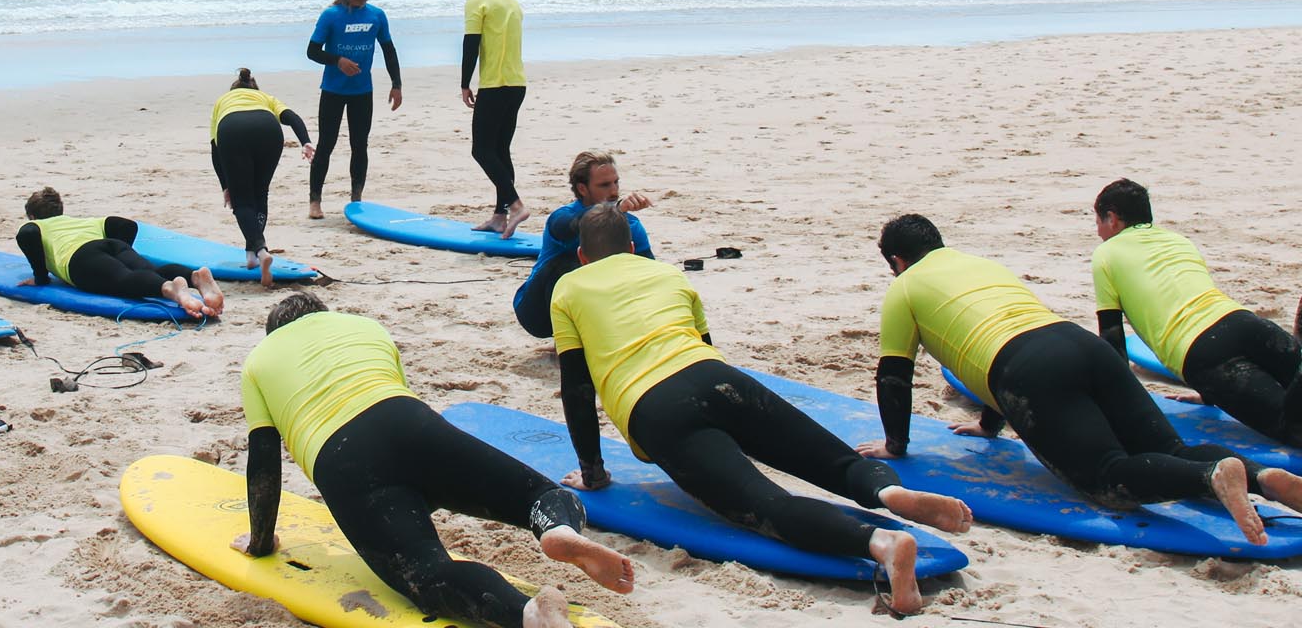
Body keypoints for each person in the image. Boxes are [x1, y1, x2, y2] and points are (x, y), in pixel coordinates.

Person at [553, 205, 969, 615]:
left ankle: (880, 543)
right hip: (717, 377)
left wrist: (594, 472)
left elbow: (576, 387)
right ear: (631, 247)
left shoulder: (569, 288)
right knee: (836, 460)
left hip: (656, 407)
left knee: (769, 505)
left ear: (582, 257)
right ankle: (889, 492)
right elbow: (706, 345)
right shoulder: (667, 273)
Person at [856, 214, 1302, 547]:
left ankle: (1212, 477)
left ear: (896, 260)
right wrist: (989, 425)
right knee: (1170, 449)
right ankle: (1263, 477)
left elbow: (895, 376)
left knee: (1108, 477)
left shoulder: (904, 288)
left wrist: (896, 445)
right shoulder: (979, 265)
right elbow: (1003, 330)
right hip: (1079, 343)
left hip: (1028, 370)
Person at [236, 292, 635, 628]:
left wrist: (260, 542)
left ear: (274, 333)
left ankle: (530, 615)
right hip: (409, 420)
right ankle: (558, 530)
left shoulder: (257, 360)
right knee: (538, 495)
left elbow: (264, 465)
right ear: (323, 315)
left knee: (428, 575)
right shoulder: (363, 326)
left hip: (342, 457)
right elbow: (397, 417)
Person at [1090, 179, 1301, 445]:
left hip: (1201, 352)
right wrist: (1212, 393)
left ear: (1113, 218)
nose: (1097, 231)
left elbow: (1112, 339)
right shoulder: (1179, 241)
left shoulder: (1105, 254)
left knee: (1290, 427)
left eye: (1097, 221)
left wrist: (1119, 413)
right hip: (1246, 323)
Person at [14, 187, 222, 318]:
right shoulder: (83, 221)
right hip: (111, 245)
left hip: (79, 258)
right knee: (153, 269)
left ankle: (171, 289)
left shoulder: (39, 226)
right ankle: (193, 277)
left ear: (32, 215)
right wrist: (119, 255)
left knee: (125, 279)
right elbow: (126, 225)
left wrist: (40, 277)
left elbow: (27, 233)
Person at [513, 151, 654, 338]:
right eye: (604, 185)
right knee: (568, 265)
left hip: (599, 306)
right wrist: (616, 210)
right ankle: (567, 340)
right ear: (582, 189)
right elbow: (569, 227)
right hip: (538, 311)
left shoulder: (632, 225)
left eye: (616, 182)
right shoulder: (563, 217)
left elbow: (650, 272)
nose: (613, 191)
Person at [306, 0, 401, 219]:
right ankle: (315, 201)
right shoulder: (331, 15)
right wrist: (338, 61)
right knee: (326, 144)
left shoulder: (376, 15)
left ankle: (356, 198)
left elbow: (389, 50)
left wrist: (396, 84)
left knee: (360, 145)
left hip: (362, 91)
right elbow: (312, 51)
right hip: (334, 90)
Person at [210, 69, 313, 286]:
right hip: (268, 129)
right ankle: (251, 255)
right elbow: (292, 117)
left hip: (232, 128)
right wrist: (305, 141)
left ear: (233, 90)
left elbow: (215, 147)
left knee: (242, 200)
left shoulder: (222, 101)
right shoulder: (265, 98)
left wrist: (225, 185)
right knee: (260, 193)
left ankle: (260, 250)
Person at [459, 0, 530, 239]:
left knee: (481, 149)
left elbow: (471, 44)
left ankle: (515, 205)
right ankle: (500, 216)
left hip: (496, 85)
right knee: (500, 151)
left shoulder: (478, 1)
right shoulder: (510, 0)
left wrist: (464, 83)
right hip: (517, 85)